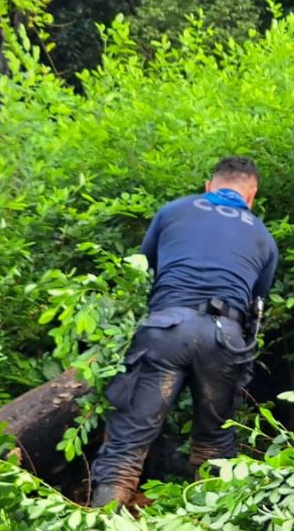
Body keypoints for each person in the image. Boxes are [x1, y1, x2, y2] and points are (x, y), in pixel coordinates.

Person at [89, 156, 278, 508]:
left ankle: (103, 516)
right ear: (251, 196)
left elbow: (144, 266)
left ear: (209, 186)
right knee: (215, 445)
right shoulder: (263, 237)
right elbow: (257, 303)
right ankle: (212, 516)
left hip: (165, 330)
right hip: (225, 340)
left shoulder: (174, 211)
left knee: (127, 443)